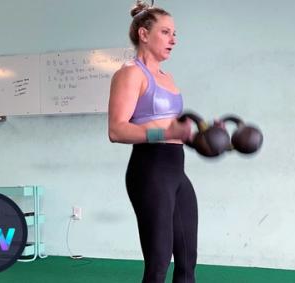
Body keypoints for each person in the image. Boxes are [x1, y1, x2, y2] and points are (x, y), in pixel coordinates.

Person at [108, 1, 198, 282]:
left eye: (174, 33)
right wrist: (164, 133)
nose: (174, 39)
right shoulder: (130, 74)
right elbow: (117, 130)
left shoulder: (168, 78)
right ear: (144, 34)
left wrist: (203, 134)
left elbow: (174, 129)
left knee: (186, 260)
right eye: (166, 32)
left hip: (176, 171)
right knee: (159, 262)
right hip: (150, 171)